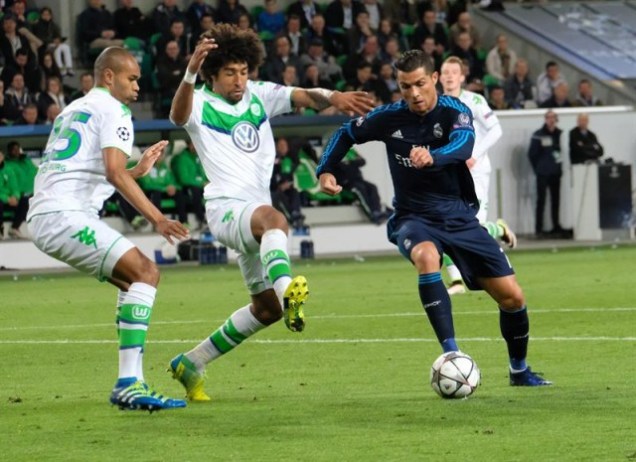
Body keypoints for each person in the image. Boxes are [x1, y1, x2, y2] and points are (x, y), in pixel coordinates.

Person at [316, 49, 551, 387]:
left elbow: (465, 144)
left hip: (458, 217)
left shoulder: (456, 110)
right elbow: (345, 133)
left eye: (420, 84)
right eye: (404, 86)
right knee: (427, 257)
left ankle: (519, 371)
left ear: (435, 80)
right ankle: (452, 354)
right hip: (414, 217)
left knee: (513, 297)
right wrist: (326, 171)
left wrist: (434, 156)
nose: (413, 94)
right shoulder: (389, 117)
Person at [167, 23, 374, 401]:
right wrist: (190, 71)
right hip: (227, 209)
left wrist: (333, 96)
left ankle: (192, 362)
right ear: (212, 73)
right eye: (230, 72)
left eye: (244, 71)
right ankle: (289, 290)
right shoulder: (198, 100)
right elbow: (177, 117)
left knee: (266, 311)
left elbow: (303, 95)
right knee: (276, 220)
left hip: (252, 215)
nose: (239, 80)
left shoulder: (260, 95)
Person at [26, 47, 189, 411]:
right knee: (147, 272)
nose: (137, 87)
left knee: (133, 282)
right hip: (65, 215)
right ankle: (128, 382)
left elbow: (91, 173)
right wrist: (157, 218)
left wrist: (137, 173)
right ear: (110, 77)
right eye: (132, 79)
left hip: (49, 213)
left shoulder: (73, 109)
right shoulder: (115, 110)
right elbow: (114, 173)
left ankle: (133, 381)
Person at [439, 56, 517, 295]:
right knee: (444, 224)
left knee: (475, 226)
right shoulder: (436, 104)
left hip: (475, 171)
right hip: (450, 172)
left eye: (455, 71)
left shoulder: (474, 100)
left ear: (462, 76)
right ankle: (456, 280)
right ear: (439, 77)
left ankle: (500, 232)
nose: (450, 75)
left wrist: (474, 154)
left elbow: (496, 130)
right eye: (445, 72)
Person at [528, 110, 564, 237]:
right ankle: (539, 229)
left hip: (556, 172)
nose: (551, 120)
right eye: (549, 117)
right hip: (543, 173)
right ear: (545, 119)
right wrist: (538, 169)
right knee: (541, 201)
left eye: (553, 117)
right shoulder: (538, 135)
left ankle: (556, 226)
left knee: (556, 201)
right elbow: (532, 154)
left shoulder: (560, 134)